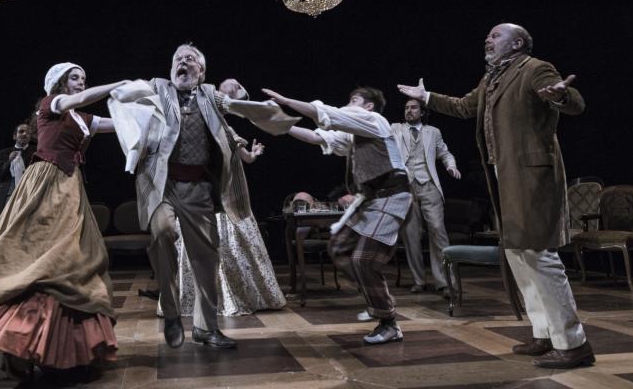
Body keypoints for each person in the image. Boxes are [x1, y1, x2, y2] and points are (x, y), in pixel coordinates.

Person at [398, 22, 592, 369]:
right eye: (488, 35)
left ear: (517, 43)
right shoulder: (491, 79)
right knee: (518, 254)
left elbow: (574, 102)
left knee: (538, 253)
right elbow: (463, 107)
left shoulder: (535, 68)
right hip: (505, 175)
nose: (488, 39)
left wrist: (561, 96)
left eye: (496, 35)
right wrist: (425, 97)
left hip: (532, 174)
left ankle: (573, 343)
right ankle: (544, 333)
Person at [0, 63, 127, 380]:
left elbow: (119, 124)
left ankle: (67, 348)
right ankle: (23, 338)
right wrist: (119, 84)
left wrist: (153, 109)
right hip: (47, 183)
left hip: (71, 190)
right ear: (59, 82)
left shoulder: (82, 118)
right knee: (43, 257)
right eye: (74, 77)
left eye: (84, 78)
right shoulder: (51, 104)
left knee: (74, 260)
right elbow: (76, 100)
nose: (81, 82)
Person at [110, 43, 254, 349]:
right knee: (163, 232)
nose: (183, 62)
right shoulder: (158, 87)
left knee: (206, 259)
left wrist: (238, 93)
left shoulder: (209, 95)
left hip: (198, 189)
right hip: (162, 185)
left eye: (190, 59)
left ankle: (206, 328)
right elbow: (131, 94)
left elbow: (236, 104)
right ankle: (172, 311)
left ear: (201, 72)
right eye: (178, 58)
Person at [262, 86, 412, 345]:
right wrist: (280, 124)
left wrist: (286, 100)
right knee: (339, 248)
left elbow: (328, 114)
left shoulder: (374, 120)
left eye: (354, 100)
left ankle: (388, 321)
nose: (348, 104)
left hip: (391, 197)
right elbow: (316, 136)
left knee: (364, 260)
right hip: (371, 200)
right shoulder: (354, 134)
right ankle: (375, 295)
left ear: (368, 106)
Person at [172, 136, 286, 316]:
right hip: (197, 199)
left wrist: (254, 154)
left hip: (226, 201)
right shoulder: (190, 133)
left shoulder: (226, 133)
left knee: (228, 252)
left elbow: (247, 158)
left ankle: (232, 297)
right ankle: (198, 299)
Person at [391, 99, 461, 298]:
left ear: (422, 112)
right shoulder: (395, 128)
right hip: (405, 187)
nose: (409, 110)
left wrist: (451, 166)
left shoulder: (433, 132)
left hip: (429, 185)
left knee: (438, 230)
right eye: (406, 107)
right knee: (410, 234)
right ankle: (418, 280)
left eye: (413, 107)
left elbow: (445, 153)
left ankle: (446, 282)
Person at [0, 123, 36, 214]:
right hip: (8, 196)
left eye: (28, 133)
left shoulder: (35, 152)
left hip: (29, 195)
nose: (24, 134)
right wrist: (9, 161)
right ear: (14, 136)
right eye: (21, 131)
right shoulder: (4, 153)